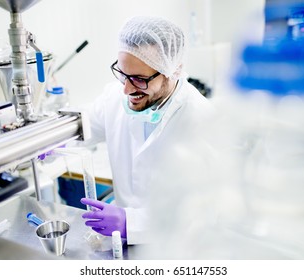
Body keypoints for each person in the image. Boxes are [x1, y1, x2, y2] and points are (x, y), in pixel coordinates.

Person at [80, 16, 215, 245]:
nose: (126, 89)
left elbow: (205, 210)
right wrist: (47, 140)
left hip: (177, 249)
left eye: (139, 79)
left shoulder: (201, 120)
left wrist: (130, 223)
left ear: (173, 71)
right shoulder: (115, 98)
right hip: (124, 246)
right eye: (122, 74)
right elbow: (83, 129)